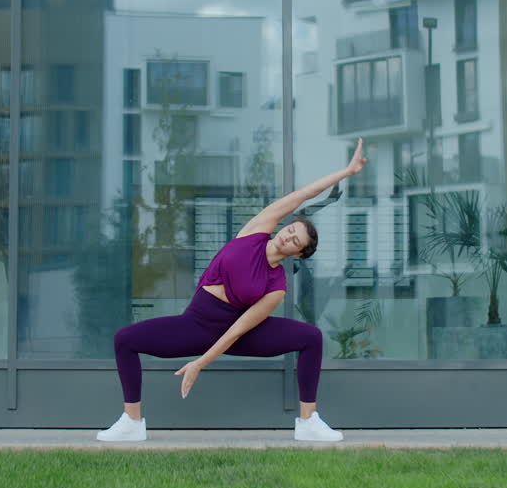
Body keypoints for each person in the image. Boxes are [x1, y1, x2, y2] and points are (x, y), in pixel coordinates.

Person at [97, 139, 368, 442]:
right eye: (290, 230)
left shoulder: (276, 286)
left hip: (238, 334)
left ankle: (308, 422)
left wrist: (200, 363)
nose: (288, 237)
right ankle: (132, 422)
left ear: (299, 254)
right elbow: (303, 194)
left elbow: (238, 329)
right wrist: (345, 172)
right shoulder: (256, 229)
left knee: (311, 338)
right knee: (125, 340)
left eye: (296, 241)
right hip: (197, 324)